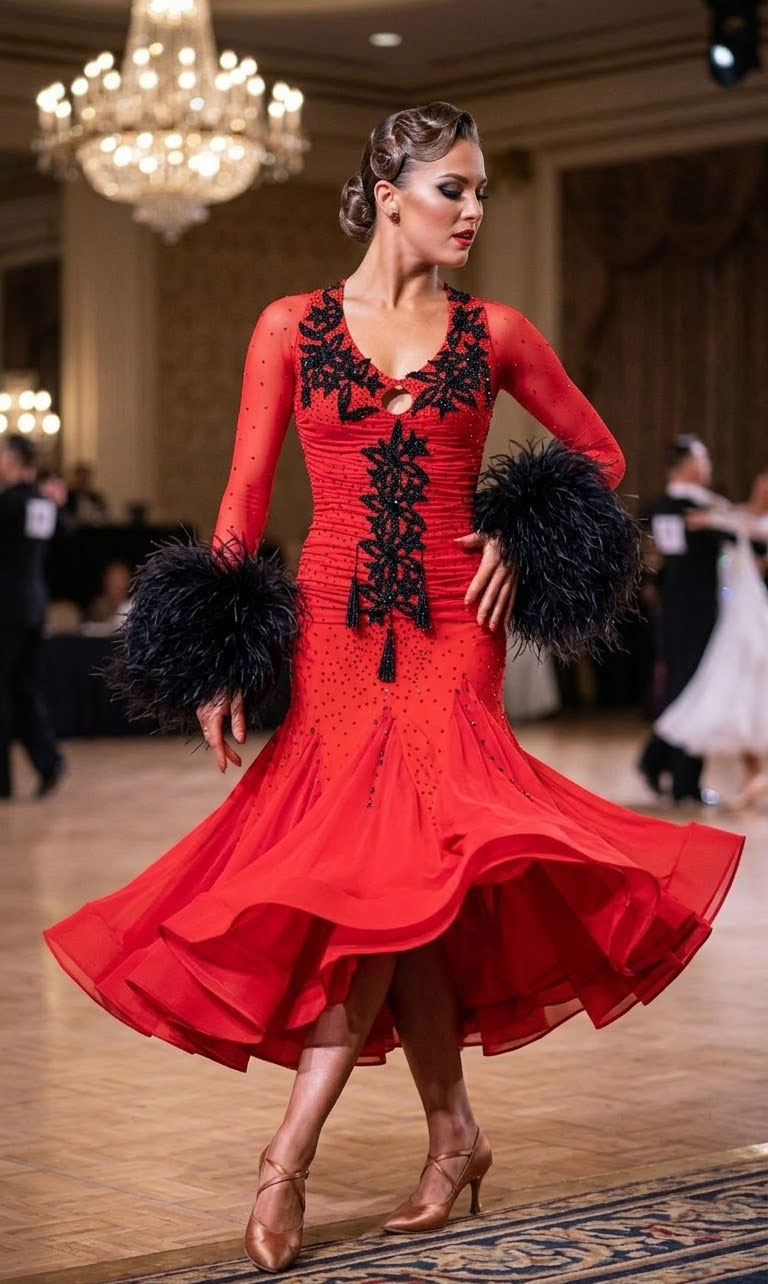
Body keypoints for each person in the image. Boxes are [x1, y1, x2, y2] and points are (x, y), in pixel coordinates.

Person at [42, 103, 744, 1274]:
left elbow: (602, 456)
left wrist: (519, 533)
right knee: (393, 888)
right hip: (331, 639)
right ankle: (454, 1135)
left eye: (481, 192)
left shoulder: (497, 332)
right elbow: (241, 502)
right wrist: (217, 659)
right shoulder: (289, 327)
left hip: (454, 639)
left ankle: (286, 1159)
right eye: (452, 189)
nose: (473, 211)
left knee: (390, 874)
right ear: (387, 193)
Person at [655, 472, 768, 808]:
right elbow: (731, 522)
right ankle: (752, 776)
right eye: (760, 486)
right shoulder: (736, 514)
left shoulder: (745, 524)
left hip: (751, 611)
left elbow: (747, 531)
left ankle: (753, 777)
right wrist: (714, 518)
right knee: (741, 693)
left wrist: (712, 520)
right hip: (732, 613)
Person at [637, 436, 730, 804]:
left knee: (688, 691)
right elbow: (668, 564)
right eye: (703, 459)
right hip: (689, 615)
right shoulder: (683, 510)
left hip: (687, 613)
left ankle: (656, 763)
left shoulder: (686, 508)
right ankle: (683, 782)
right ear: (690, 466)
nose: (708, 466)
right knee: (688, 692)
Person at [0, 435, 66, 799]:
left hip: (6, 607)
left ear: (12, 459)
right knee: (24, 689)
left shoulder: (8, 504)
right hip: (34, 605)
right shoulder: (41, 502)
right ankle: (48, 762)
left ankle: (4, 781)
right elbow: (64, 532)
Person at [64, 461, 109, 525]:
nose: (82, 482)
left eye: (85, 478)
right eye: (79, 478)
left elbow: (104, 516)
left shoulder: (96, 498)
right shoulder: (67, 498)